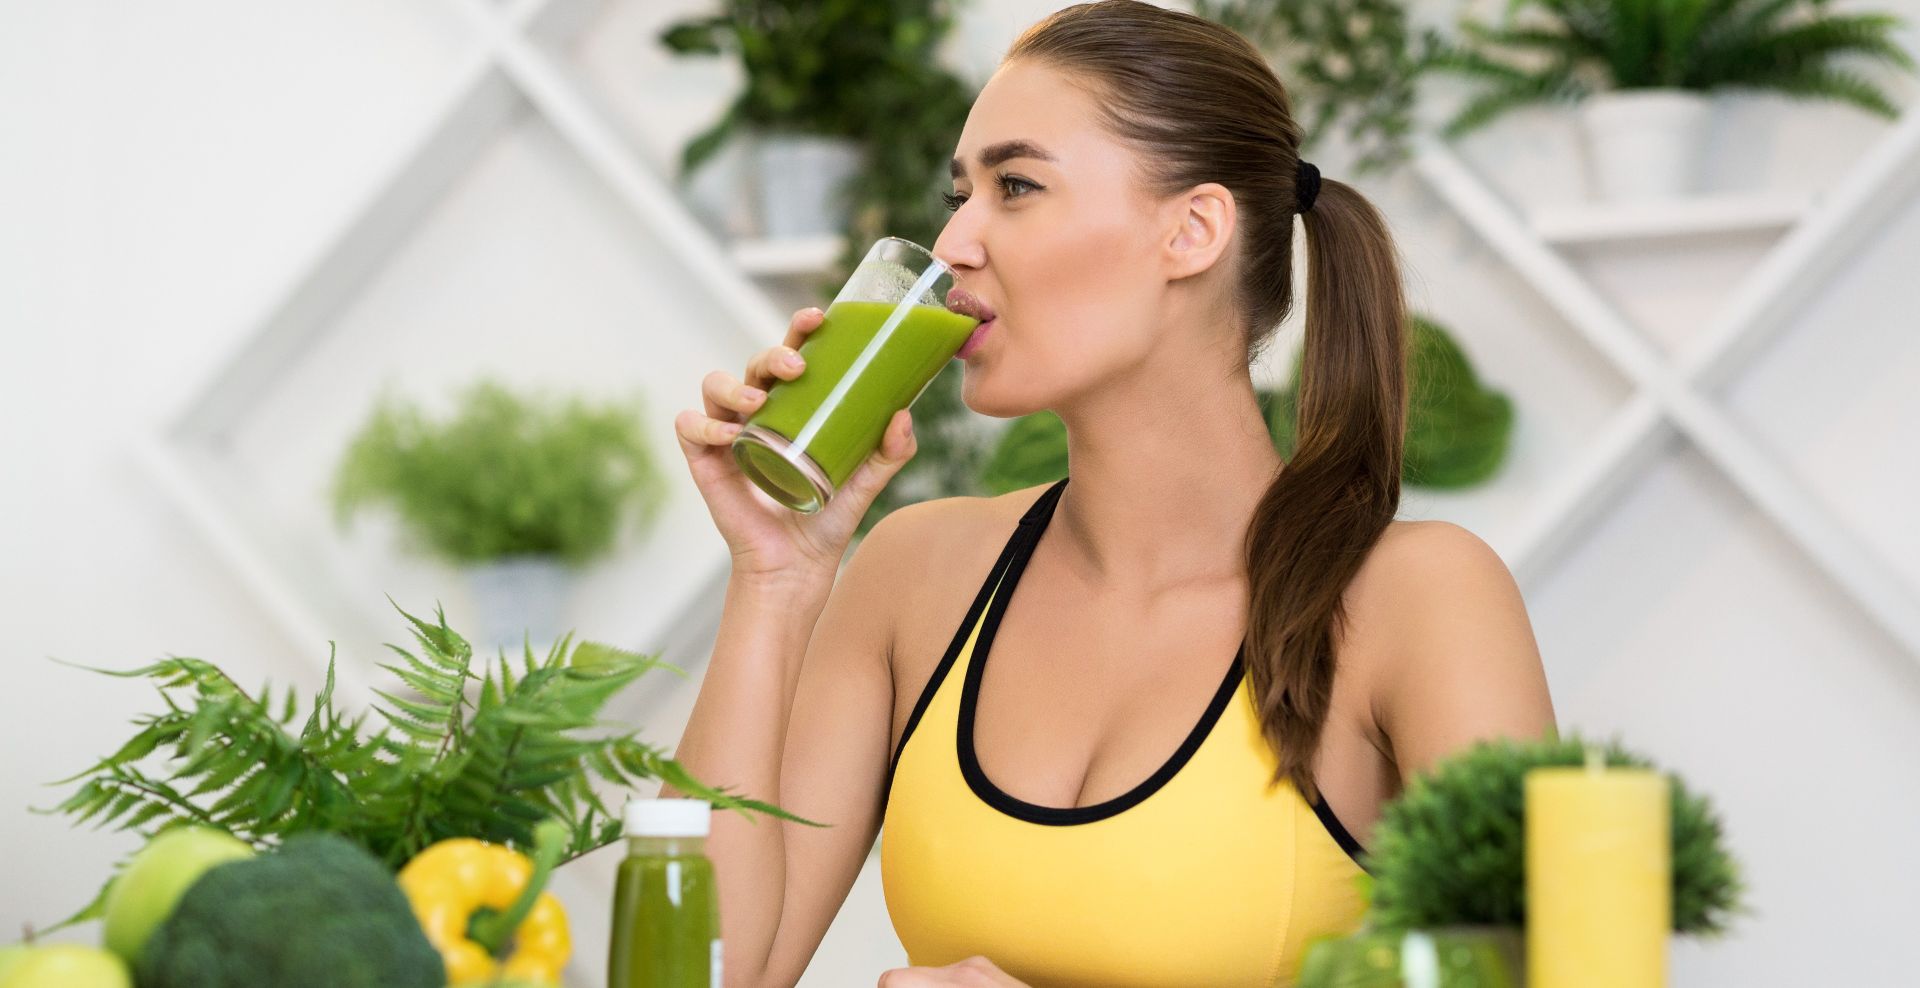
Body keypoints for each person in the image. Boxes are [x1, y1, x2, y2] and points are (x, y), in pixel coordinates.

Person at [666, 2, 1557, 985]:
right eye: (958, 192)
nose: (955, 240)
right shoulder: (915, 577)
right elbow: (699, 976)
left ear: (1192, 229)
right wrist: (774, 577)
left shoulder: (1416, 601)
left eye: (1016, 186)